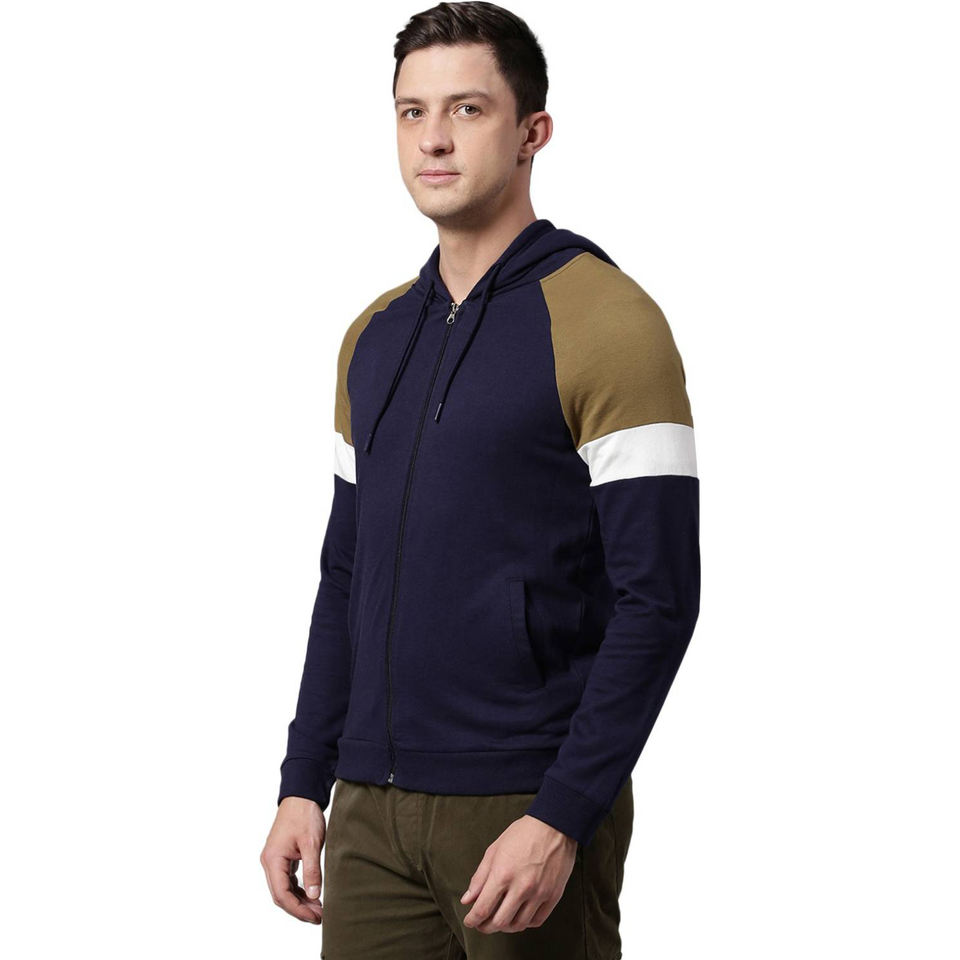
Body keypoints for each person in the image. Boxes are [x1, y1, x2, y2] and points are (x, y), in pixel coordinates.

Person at [260, 3, 700, 957]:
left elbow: (659, 598)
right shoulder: (373, 337)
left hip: (521, 801)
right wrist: (304, 779)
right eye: (411, 112)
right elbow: (345, 576)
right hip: (368, 812)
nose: (434, 139)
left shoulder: (609, 323)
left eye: (467, 109)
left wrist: (564, 813)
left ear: (532, 132)